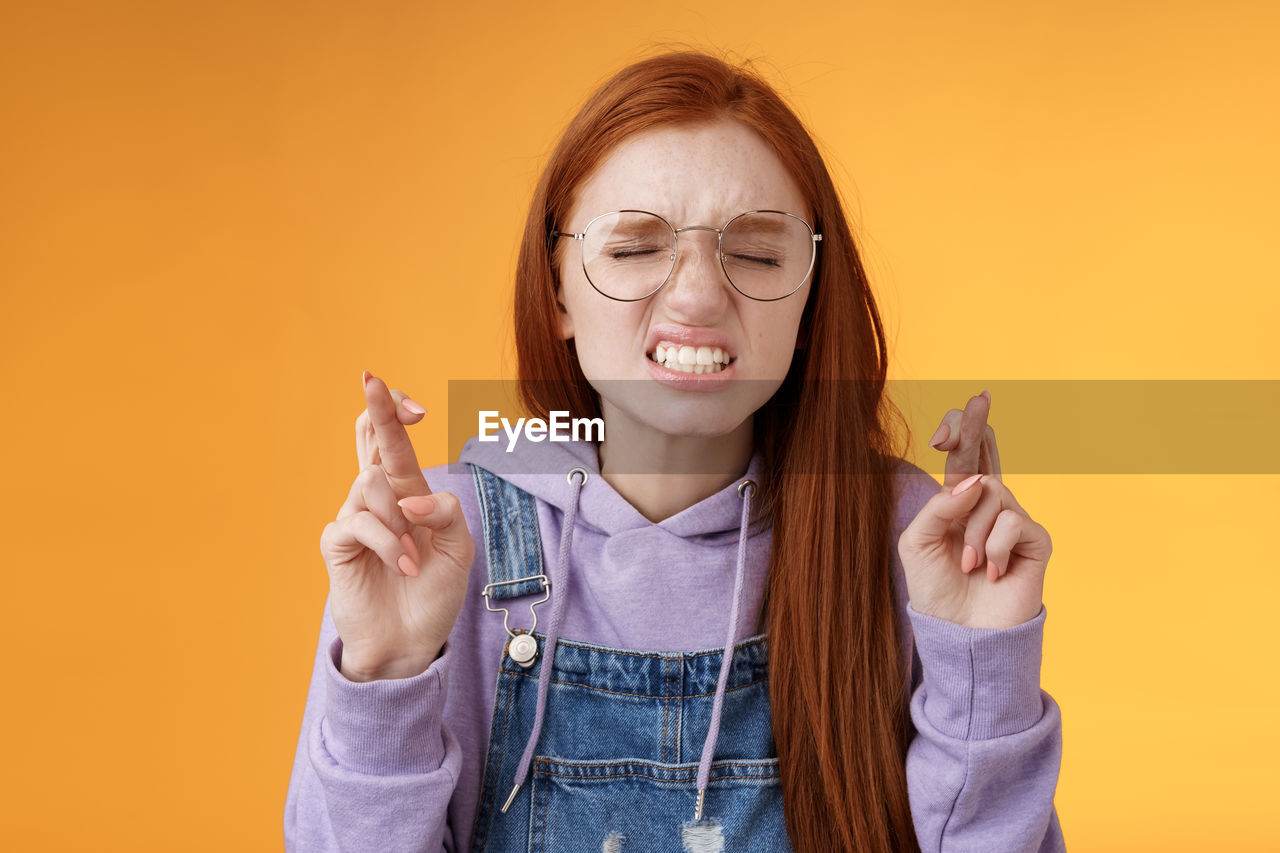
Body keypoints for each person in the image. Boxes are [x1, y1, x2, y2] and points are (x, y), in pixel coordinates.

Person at [284, 50, 1065, 852]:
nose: (696, 296)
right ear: (558, 289)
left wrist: (983, 674)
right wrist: (383, 676)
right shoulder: (439, 542)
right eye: (634, 249)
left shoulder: (909, 542)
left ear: (810, 295)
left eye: (758, 253)